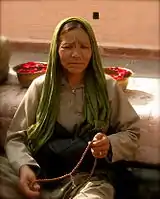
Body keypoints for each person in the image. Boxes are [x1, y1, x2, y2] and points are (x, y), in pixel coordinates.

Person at [0, 17, 140, 199]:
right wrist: (24, 167)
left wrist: (110, 144)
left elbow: (132, 132)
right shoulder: (41, 87)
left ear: (93, 51)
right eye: (67, 47)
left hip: (88, 179)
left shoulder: (107, 87)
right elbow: (16, 138)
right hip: (41, 175)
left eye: (84, 47)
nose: (76, 54)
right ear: (56, 50)